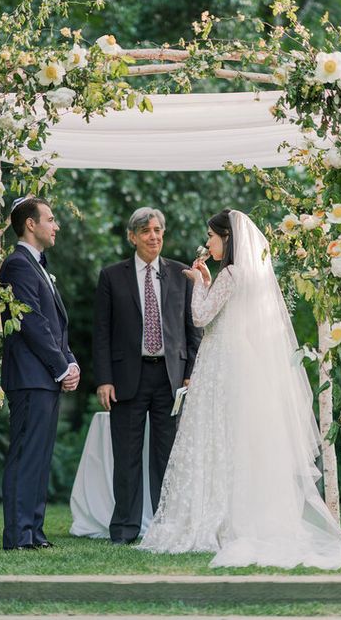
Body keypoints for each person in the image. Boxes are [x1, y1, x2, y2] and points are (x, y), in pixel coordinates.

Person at [140, 208, 341, 569]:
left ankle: (217, 516)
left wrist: (199, 283)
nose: (208, 241)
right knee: (235, 439)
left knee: (217, 436)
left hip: (221, 361)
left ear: (226, 238)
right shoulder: (247, 275)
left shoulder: (229, 272)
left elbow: (200, 317)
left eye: (211, 235)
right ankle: (234, 512)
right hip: (238, 356)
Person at [93, 206, 202, 545]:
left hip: (171, 380)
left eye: (157, 230)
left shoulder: (182, 274)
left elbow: (193, 329)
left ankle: (165, 528)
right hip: (127, 378)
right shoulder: (112, 276)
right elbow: (102, 332)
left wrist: (189, 374)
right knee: (126, 458)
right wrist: (104, 379)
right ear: (132, 237)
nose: (153, 236)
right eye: (145, 231)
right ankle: (124, 528)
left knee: (167, 458)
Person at [0, 196, 80, 550]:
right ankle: (18, 534)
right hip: (30, 377)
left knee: (40, 456)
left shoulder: (38, 266)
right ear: (30, 224)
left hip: (44, 377)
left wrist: (71, 361)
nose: (56, 225)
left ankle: (33, 531)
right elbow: (31, 322)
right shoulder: (17, 265)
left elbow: (53, 325)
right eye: (50, 219)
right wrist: (61, 367)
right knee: (25, 456)